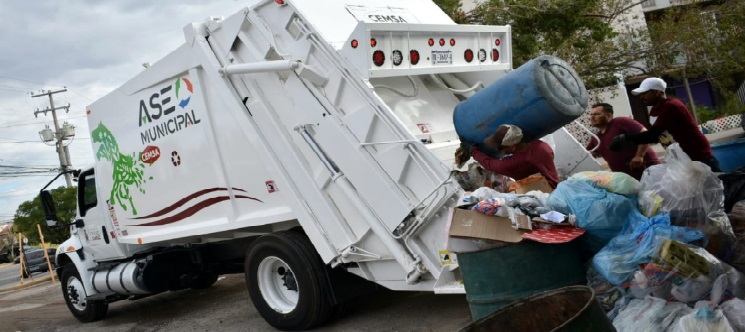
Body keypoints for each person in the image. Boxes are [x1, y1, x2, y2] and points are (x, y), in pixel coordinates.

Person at [610, 77, 722, 172]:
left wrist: (626, 138)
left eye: (645, 93)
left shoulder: (671, 106)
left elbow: (653, 135)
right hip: (681, 156)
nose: (641, 97)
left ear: (657, 92)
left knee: (718, 184)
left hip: (696, 154)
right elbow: (654, 135)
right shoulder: (655, 110)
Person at [462, 125, 561, 189]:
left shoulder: (516, 162)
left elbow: (490, 164)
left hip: (543, 190)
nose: (497, 150)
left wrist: (472, 150)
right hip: (554, 181)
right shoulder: (541, 145)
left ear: (513, 147)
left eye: (500, 148)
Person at [586, 103, 660, 180]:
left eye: (597, 114)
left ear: (608, 116)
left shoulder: (620, 122)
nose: (592, 117)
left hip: (647, 170)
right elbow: (587, 154)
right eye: (591, 114)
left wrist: (639, 156)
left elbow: (645, 134)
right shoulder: (596, 138)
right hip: (627, 179)